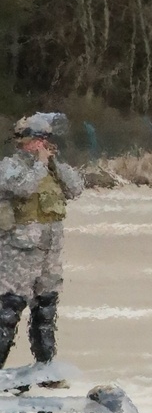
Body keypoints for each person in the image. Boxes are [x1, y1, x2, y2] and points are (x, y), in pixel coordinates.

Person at [0, 112, 83, 381]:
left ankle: (46, 366)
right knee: (9, 310)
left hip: (49, 250)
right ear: (23, 142)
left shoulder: (51, 167)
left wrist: (54, 164)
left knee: (46, 307)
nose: (43, 145)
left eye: (46, 139)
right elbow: (22, 188)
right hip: (18, 250)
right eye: (38, 139)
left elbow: (75, 188)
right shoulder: (10, 166)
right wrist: (39, 165)